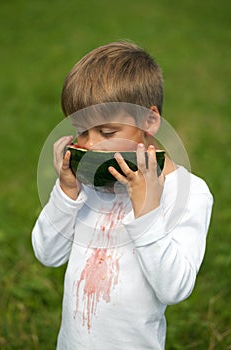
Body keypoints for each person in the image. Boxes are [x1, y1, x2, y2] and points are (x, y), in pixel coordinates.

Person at [32, 41, 213, 350]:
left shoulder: (189, 193)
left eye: (106, 133)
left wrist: (146, 210)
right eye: (81, 131)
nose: (91, 145)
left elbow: (175, 289)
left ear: (150, 121)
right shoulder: (86, 185)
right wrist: (67, 191)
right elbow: (47, 255)